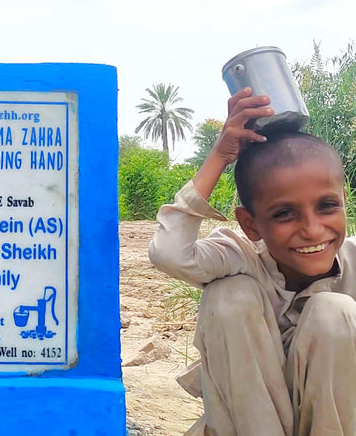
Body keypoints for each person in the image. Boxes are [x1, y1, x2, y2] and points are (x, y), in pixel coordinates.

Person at [149, 87, 356, 436]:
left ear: (344, 201)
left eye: (327, 206)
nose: (312, 229)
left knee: (334, 311)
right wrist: (219, 155)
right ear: (250, 224)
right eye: (284, 214)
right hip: (246, 424)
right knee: (228, 294)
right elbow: (170, 253)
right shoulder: (241, 254)